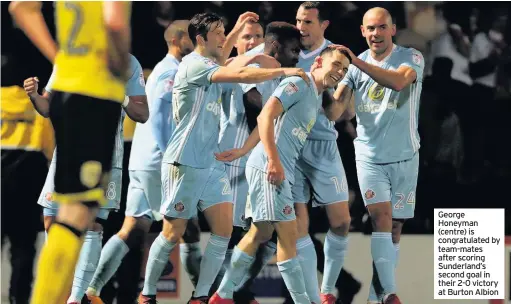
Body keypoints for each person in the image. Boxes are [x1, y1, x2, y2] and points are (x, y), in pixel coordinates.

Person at [139, 12, 308, 304]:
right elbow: (238, 73)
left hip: (211, 162)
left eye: (223, 31)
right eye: (218, 32)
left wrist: (241, 31)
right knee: (172, 231)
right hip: (184, 161)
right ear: (201, 39)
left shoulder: (211, 62)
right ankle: (147, 295)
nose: (223, 36)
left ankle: (201, 297)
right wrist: (283, 72)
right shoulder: (194, 65)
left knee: (223, 230)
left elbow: (227, 59)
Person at [9, 2, 132, 303]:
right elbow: (114, 22)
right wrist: (119, 64)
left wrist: (59, 58)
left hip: (71, 91)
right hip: (94, 95)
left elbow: (20, 8)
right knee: (77, 214)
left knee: (74, 213)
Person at [210, 46, 351, 304]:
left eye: (344, 69)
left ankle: (222, 295)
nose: (340, 72)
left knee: (259, 234)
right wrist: (273, 161)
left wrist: (244, 149)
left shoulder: (316, 95)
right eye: (336, 65)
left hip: (270, 167)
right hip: (269, 169)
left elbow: (270, 122)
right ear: (319, 61)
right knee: (289, 237)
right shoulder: (299, 83)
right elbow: (265, 115)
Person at [81, 20, 196, 304]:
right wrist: (174, 156)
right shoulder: (170, 71)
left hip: (143, 160)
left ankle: (91, 290)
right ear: (178, 39)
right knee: (184, 228)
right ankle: (205, 294)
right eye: (193, 36)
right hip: (159, 161)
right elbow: (156, 118)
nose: (198, 40)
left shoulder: (165, 69)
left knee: (132, 228)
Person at [23, 53, 148, 304]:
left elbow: (142, 113)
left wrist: (121, 97)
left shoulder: (127, 62)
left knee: (93, 225)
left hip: (105, 156)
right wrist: (35, 95)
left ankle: (77, 298)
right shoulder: (68, 58)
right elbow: (47, 107)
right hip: (69, 152)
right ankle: (63, 289)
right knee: (51, 219)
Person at [328, 7, 425, 304]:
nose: (375, 33)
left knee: (394, 227)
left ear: (393, 29)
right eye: (370, 28)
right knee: (380, 217)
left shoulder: (411, 57)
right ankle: (390, 294)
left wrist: (355, 61)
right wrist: (322, 83)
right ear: (362, 31)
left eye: (381, 27)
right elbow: (334, 111)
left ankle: (375, 296)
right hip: (369, 156)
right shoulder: (355, 68)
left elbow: (397, 82)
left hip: (406, 156)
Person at [216, 21, 301, 303]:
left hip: (257, 157)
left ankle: (235, 292)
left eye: (257, 36)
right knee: (240, 232)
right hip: (237, 163)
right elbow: (257, 106)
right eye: (247, 36)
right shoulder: (253, 72)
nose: (252, 41)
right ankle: (227, 294)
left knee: (264, 232)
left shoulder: (278, 75)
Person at [293, 3, 353, 303]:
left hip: (323, 146)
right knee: (298, 227)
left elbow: (341, 112)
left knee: (341, 222)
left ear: (323, 24)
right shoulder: (287, 50)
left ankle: (327, 289)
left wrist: (330, 92)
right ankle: (311, 299)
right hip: (291, 147)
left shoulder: (338, 57)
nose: (301, 26)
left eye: (307, 21)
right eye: (298, 20)